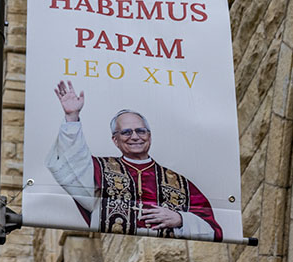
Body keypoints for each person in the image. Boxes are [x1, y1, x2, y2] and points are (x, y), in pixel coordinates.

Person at [46, 80, 222, 241]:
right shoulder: (100, 169)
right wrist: (72, 117)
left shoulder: (179, 183)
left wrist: (181, 219)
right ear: (115, 140)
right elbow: (72, 160)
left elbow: (212, 228)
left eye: (141, 131)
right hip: (118, 252)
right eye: (126, 132)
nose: (135, 137)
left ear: (149, 136)